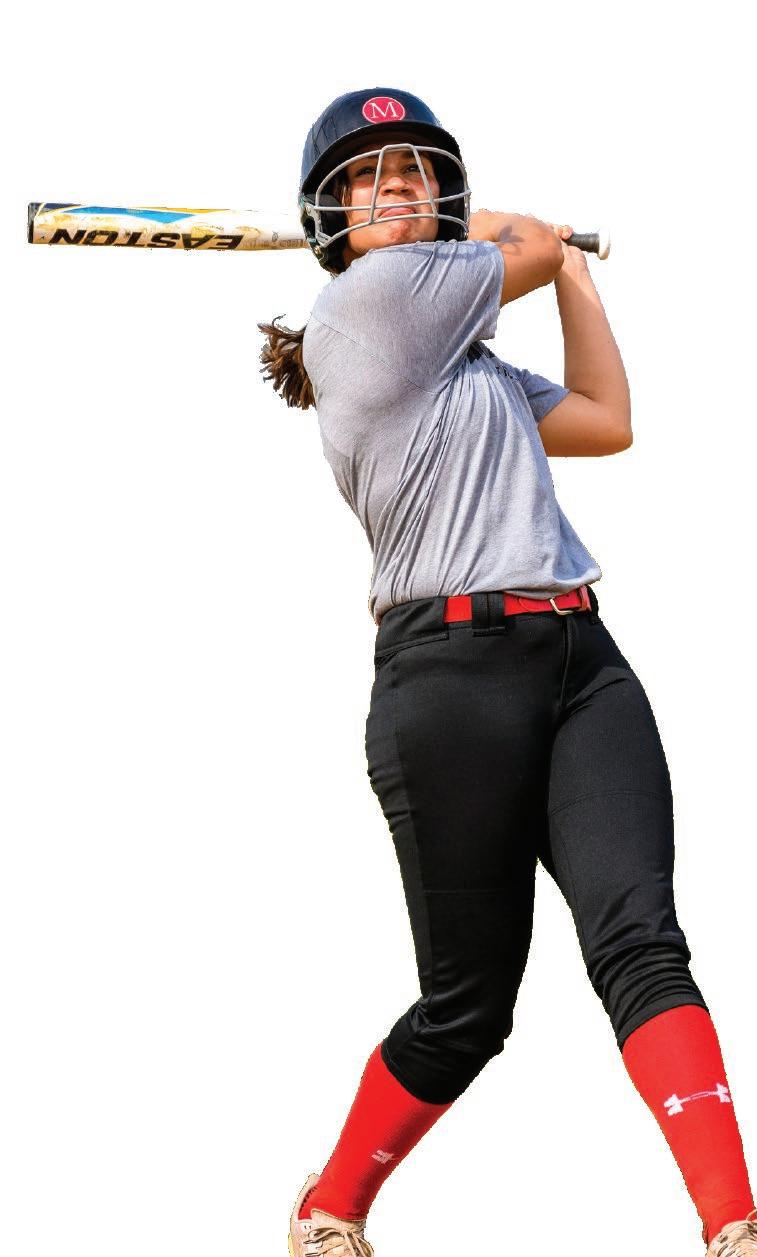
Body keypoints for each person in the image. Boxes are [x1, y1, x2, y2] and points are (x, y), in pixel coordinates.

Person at [258, 87, 756, 1257]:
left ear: (443, 199)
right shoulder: (370, 306)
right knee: (469, 1009)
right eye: (365, 174)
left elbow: (604, 419)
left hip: (579, 659)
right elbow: (518, 246)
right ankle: (331, 1209)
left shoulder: (466, 367)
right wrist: (542, 242)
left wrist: (573, 274)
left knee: (643, 943)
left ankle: (735, 1225)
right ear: (332, 218)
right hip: (450, 680)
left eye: (413, 169)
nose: (393, 182)